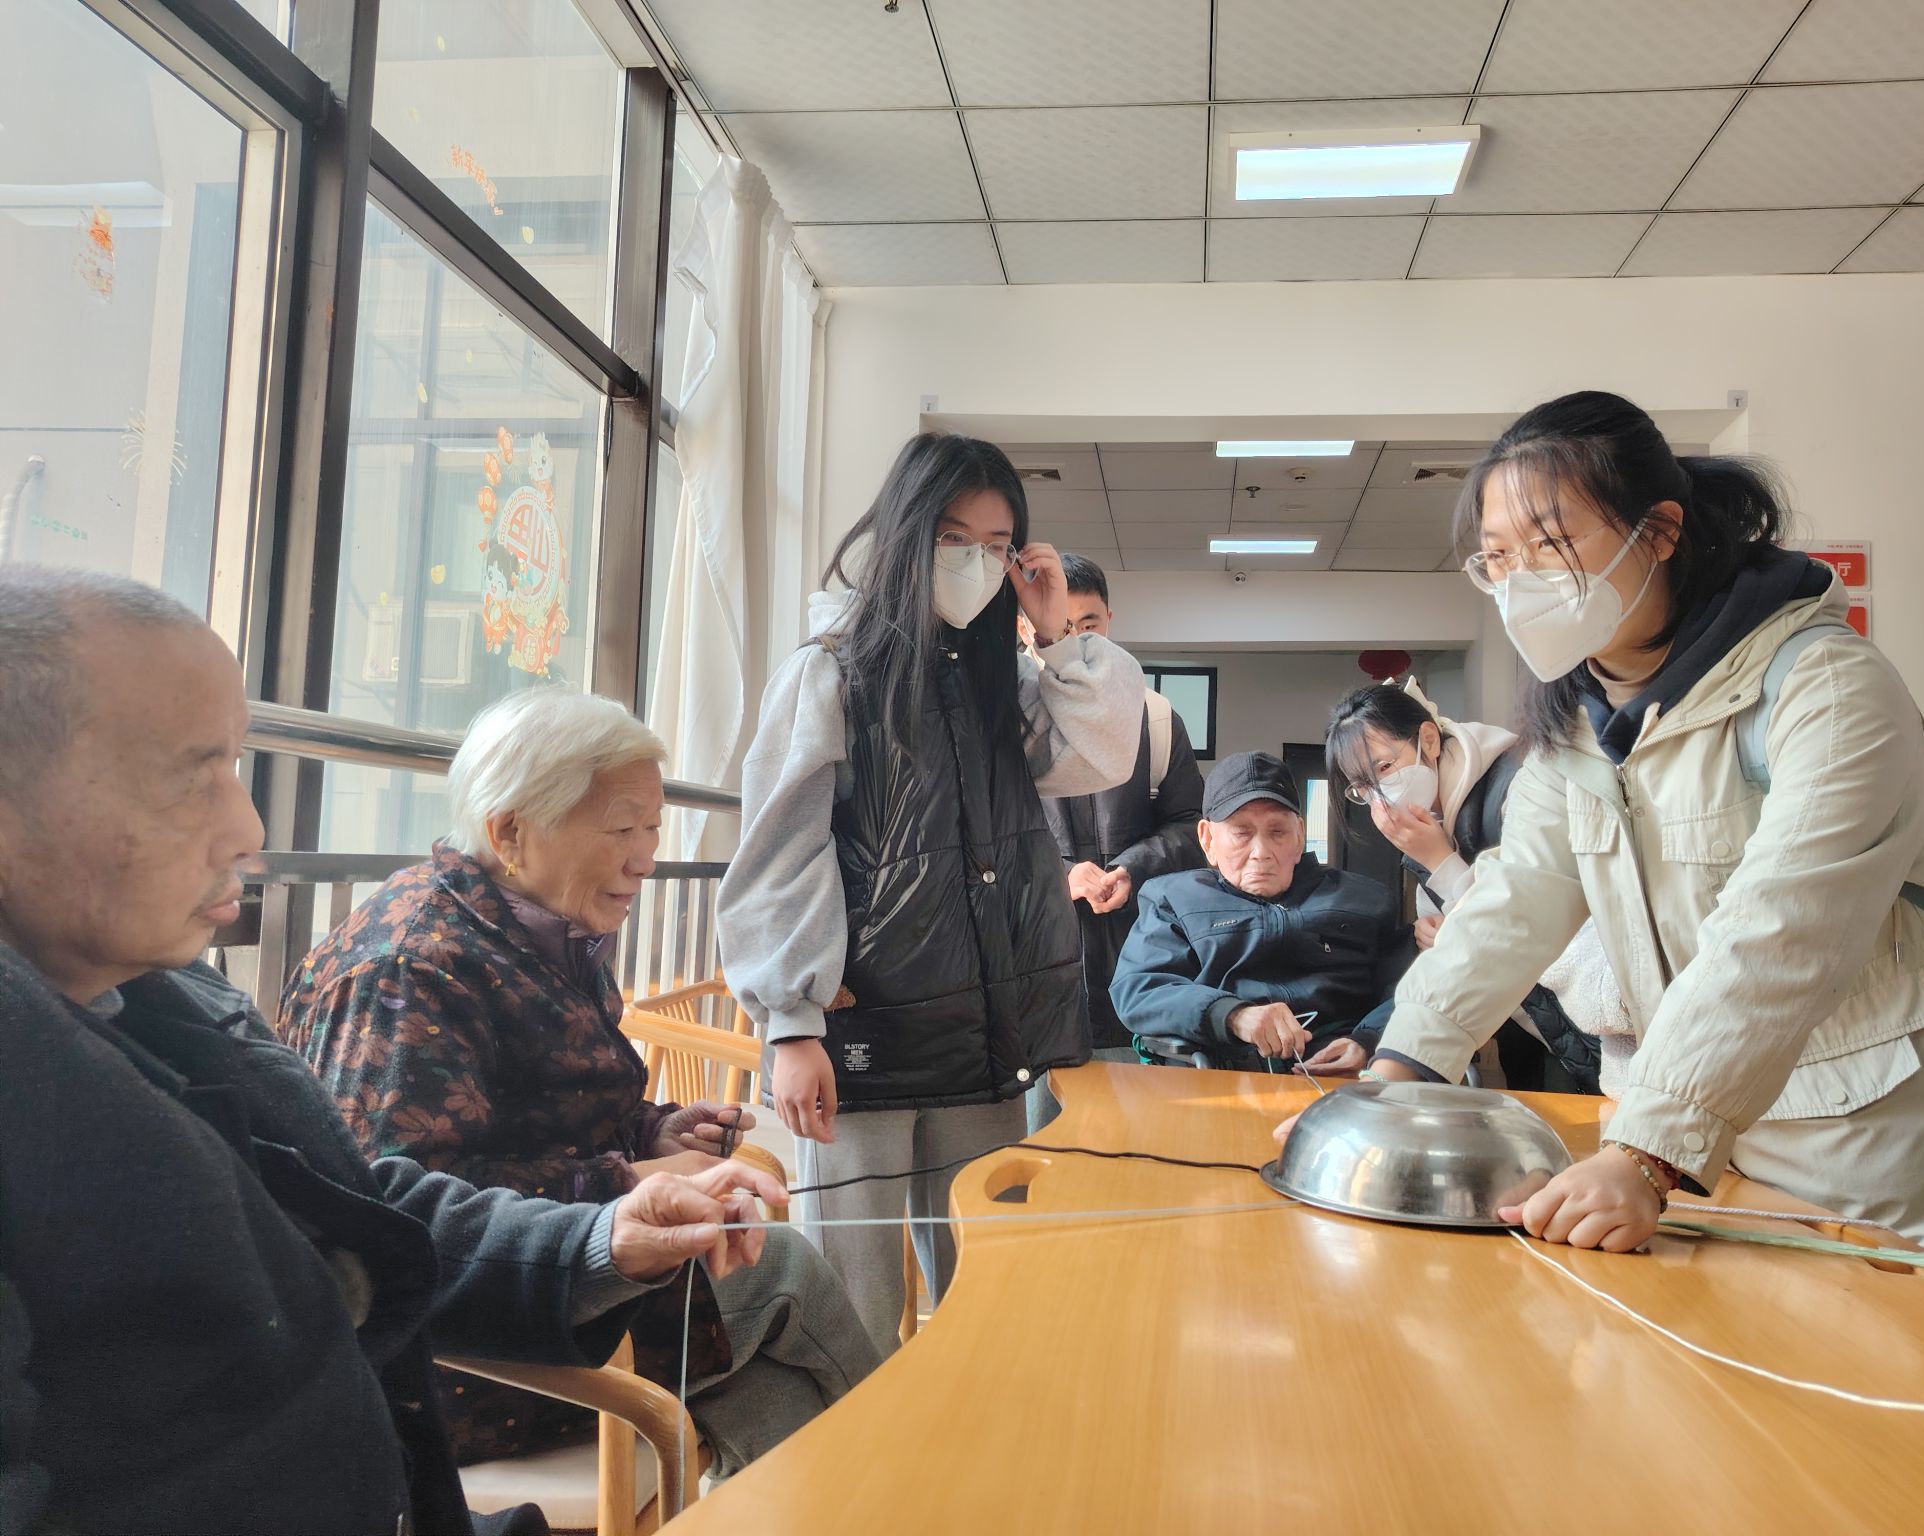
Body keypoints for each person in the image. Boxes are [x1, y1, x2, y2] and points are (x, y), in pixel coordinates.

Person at [0, 566, 784, 1536]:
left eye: (237, 767)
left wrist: (602, 1235)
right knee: (790, 1309)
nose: (248, 827)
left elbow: (370, 1209)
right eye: (187, 778)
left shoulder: (175, 1000)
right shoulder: (406, 967)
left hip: (417, 1460)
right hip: (481, 1393)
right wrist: (614, 1184)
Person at [1300, 391, 1924, 1337]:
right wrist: (1396, 1076)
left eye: (1549, 543)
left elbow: (1780, 934)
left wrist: (1647, 1152)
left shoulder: (1825, 685)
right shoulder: (1576, 733)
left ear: (1657, 532)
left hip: (1917, 1162)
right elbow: (1512, 905)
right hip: (1740, 1168)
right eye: (1498, 557)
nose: (1521, 580)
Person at [277, 688, 879, 1478]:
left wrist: (652, 1131)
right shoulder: (410, 969)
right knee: (781, 1271)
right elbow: (391, 1215)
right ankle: (920, 1472)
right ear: (511, 832)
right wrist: (628, 1179)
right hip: (468, 1348)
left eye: (652, 829)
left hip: (577, 1287)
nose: (645, 858)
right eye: (622, 830)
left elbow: (547, 1113)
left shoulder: (535, 926)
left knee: (779, 1398)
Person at [717, 433, 1142, 1354]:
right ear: (906, 532)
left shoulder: (1000, 683)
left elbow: (1102, 754)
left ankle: (974, 1445)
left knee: (986, 1296)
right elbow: (782, 852)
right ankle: (856, 1450)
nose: (976, 563)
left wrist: (1057, 632)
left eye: (998, 545)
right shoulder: (830, 672)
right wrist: (789, 1025)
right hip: (860, 1037)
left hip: (982, 1035)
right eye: (955, 538)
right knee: (854, 1304)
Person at [1323, 680, 1601, 1092]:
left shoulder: (1518, 788)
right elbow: (1459, 952)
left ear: (1429, 740)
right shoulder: (1428, 828)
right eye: (1362, 787)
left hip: (1593, 1019)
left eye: (1383, 768)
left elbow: (1523, 918)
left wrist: (1440, 861)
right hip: (1532, 1033)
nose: (1378, 796)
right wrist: (1435, 934)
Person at [1029, 554, 1206, 1125]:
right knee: (1044, 1138)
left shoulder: (1156, 717)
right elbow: (985, 836)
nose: (1078, 640)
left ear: (1110, 621)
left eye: (1089, 625)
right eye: (1062, 626)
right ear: (1031, 627)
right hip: (1039, 968)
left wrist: (1132, 869)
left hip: (1142, 958)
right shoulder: (1013, 718)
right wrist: (1062, 873)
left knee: (1141, 1134)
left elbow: (1193, 826)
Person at [1111, 751, 1410, 1073]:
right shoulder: (1172, 898)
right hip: (1217, 1075)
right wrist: (1232, 1015)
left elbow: (1412, 988)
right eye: (1242, 833)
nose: (1261, 852)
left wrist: (1369, 1040)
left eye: (1277, 832)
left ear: (1299, 836)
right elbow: (1140, 989)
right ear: (1207, 839)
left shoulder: (1366, 900)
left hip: (1342, 1077)